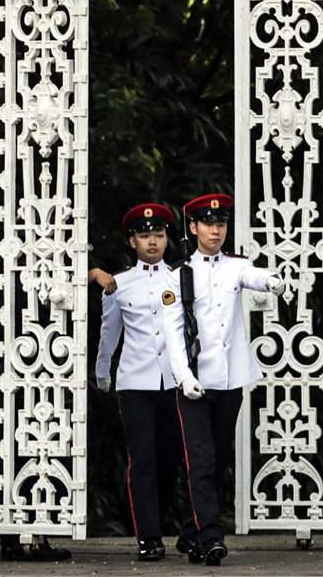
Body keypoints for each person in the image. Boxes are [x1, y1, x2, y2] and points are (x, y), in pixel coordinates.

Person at [161, 193, 284, 566]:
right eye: (209, 224)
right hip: (195, 382)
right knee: (199, 459)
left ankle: (191, 532)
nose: (216, 230)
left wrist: (274, 281)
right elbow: (173, 331)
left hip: (229, 380)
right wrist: (183, 377)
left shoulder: (235, 266)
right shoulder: (177, 274)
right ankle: (212, 538)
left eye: (222, 224)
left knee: (217, 459)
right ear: (194, 227)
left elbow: (255, 276)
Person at [0, 266, 115, 563]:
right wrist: (91, 275)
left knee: (40, 444)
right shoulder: (19, 260)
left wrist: (90, 275)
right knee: (22, 444)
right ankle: (22, 536)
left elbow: (60, 280)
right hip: (25, 356)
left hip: (47, 359)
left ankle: (32, 534)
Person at [95, 203, 186, 561]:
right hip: (135, 383)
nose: (153, 242)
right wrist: (103, 372)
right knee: (142, 460)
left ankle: (161, 523)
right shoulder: (121, 284)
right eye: (145, 235)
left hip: (174, 382)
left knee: (170, 460)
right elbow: (109, 333)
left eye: (159, 235)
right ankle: (148, 537)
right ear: (132, 240)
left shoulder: (181, 279)